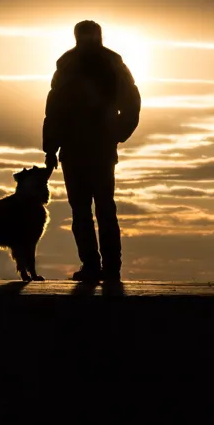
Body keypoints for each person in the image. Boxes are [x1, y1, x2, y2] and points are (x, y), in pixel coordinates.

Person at [42, 20, 142, 283]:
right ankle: (92, 266)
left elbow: (131, 103)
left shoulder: (113, 66)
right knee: (82, 211)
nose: (86, 42)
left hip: (99, 148)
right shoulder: (66, 67)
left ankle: (109, 267)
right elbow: (53, 109)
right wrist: (50, 148)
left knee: (104, 209)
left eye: (90, 38)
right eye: (83, 38)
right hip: (74, 150)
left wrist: (117, 133)